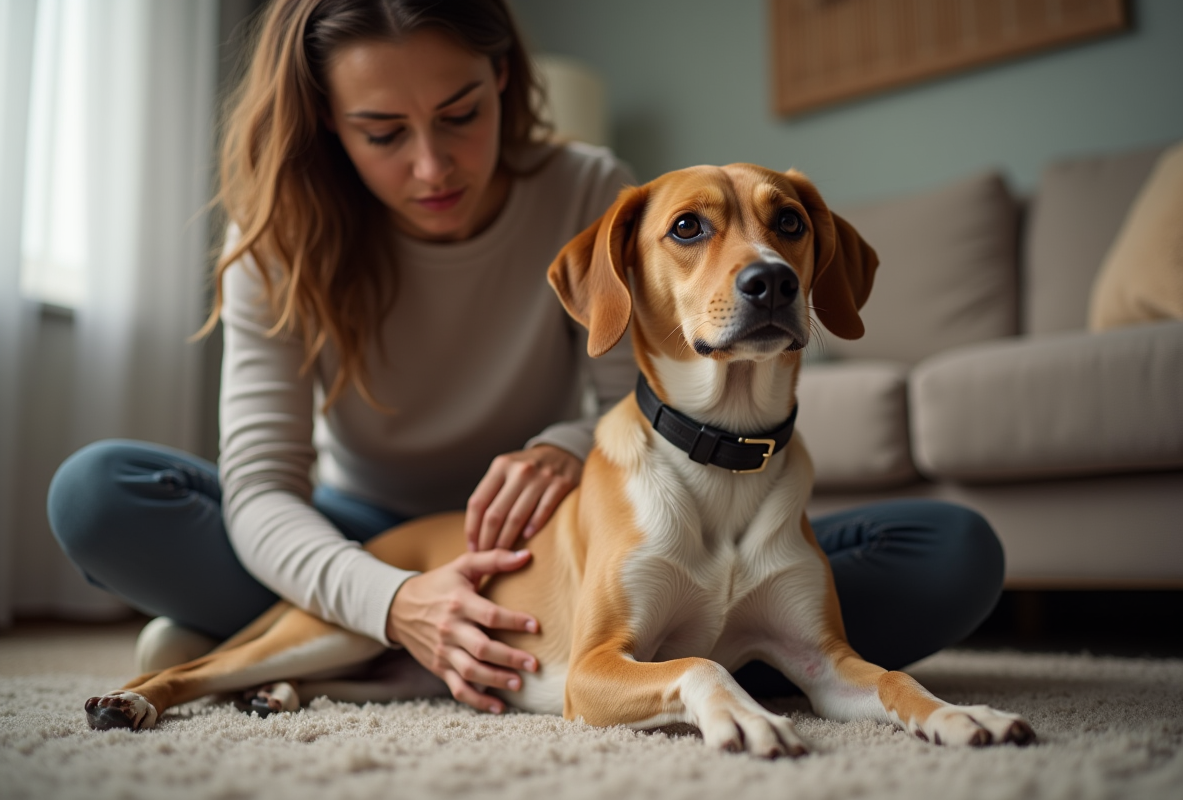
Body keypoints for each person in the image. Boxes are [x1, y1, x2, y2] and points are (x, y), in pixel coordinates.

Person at [48, 0, 1005, 714]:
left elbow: (625, 397)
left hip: (564, 519)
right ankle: (336, 636)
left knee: (952, 552)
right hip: (364, 526)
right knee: (98, 493)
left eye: (461, 112)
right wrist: (394, 600)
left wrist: (560, 444)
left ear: (504, 77)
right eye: (383, 133)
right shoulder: (273, 244)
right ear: (326, 124)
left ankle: (284, 638)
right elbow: (259, 491)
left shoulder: (589, 185)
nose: (433, 165)